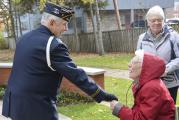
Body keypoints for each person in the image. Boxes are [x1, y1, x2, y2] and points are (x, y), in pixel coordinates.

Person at [2, 2, 118, 120]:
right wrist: (101, 94)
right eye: (64, 24)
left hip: (15, 104)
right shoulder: (53, 45)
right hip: (37, 107)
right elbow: (76, 75)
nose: (66, 29)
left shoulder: (24, 38)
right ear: (52, 23)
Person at [110, 50, 175, 120]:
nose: (129, 64)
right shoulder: (148, 84)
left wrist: (119, 109)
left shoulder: (152, 88)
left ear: (145, 67)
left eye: (134, 62)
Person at [136, 5, 179, 103]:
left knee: (168, 112)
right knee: (152, 112)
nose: (156, 23)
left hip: (170, 83)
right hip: (149, 83)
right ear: (148, 22)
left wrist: (166, 69)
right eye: (153, 20)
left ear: (163, 20)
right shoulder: (141, 38)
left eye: (159, 19)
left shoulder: (173, 36)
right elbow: (138, 59)